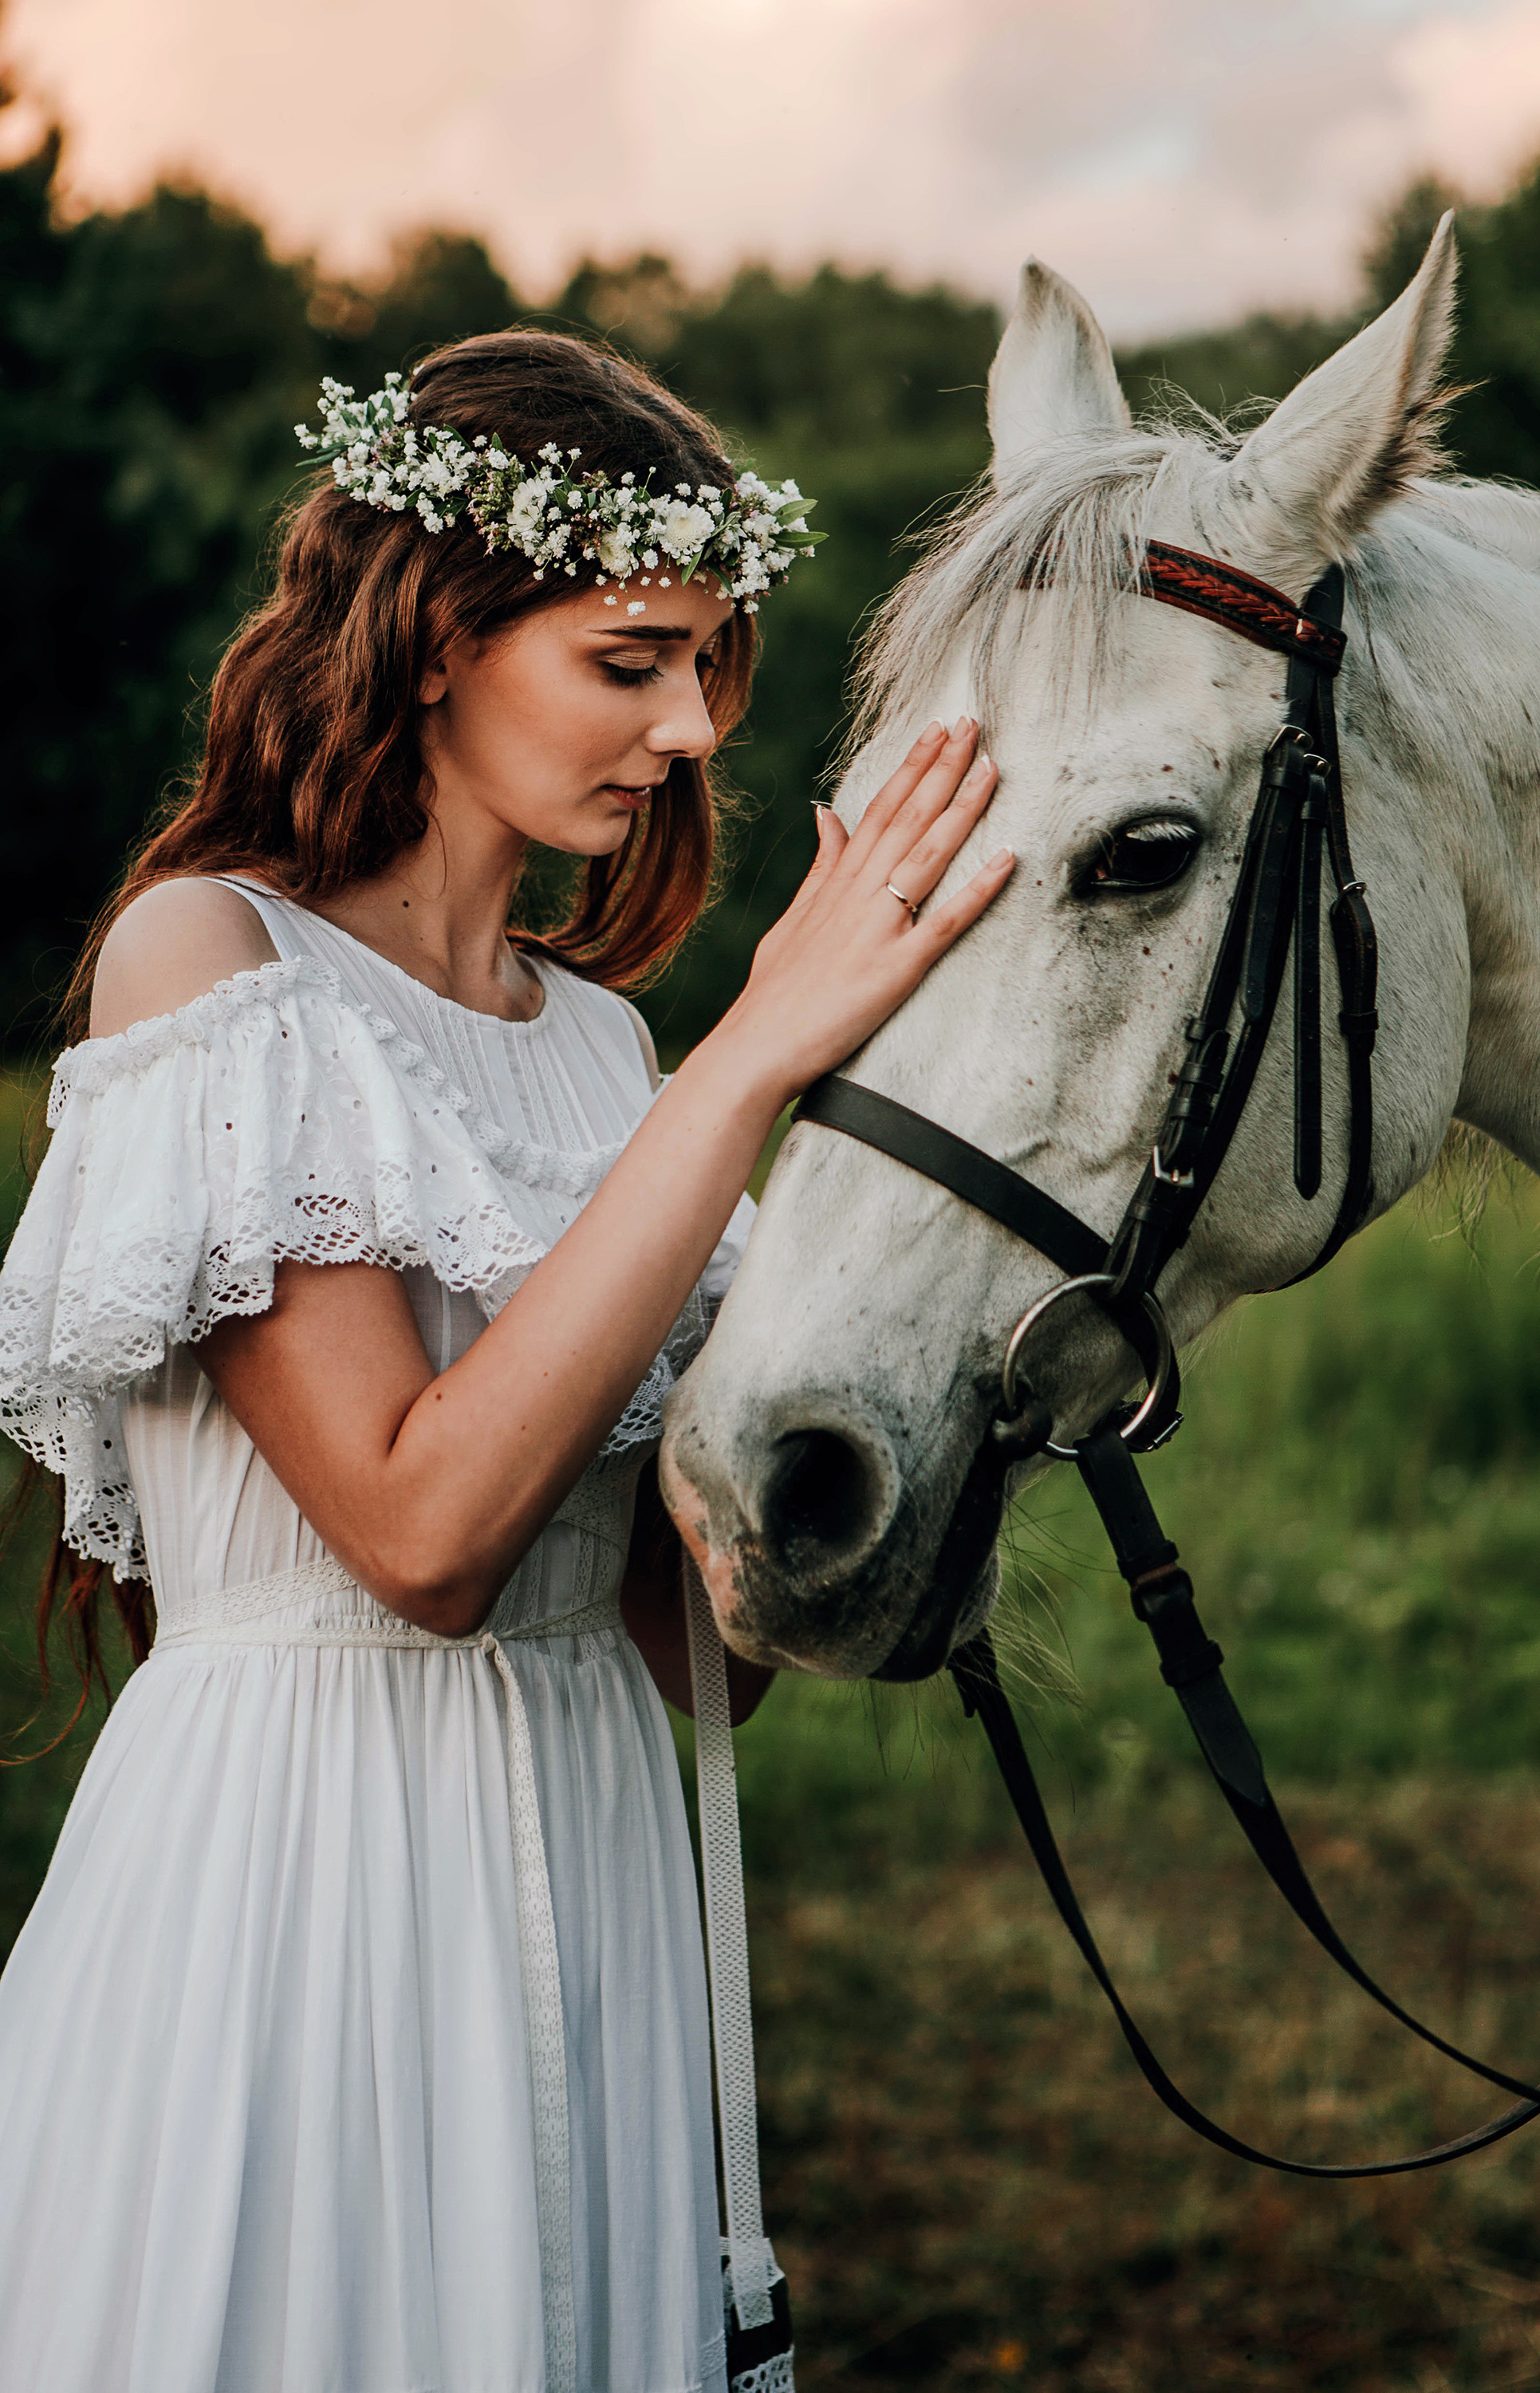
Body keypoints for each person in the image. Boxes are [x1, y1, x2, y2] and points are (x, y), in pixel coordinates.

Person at [0, 328, 1012, 2393]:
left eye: (716, 666)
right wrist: (752, 1065)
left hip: (599, 1856)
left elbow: (693, 1649)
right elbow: (424, 1529)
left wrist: (923, 1340)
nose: (691, 730)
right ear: (444, 631)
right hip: (308, 1873)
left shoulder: (604, 1050)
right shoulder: (213, 957)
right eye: (631, 659)